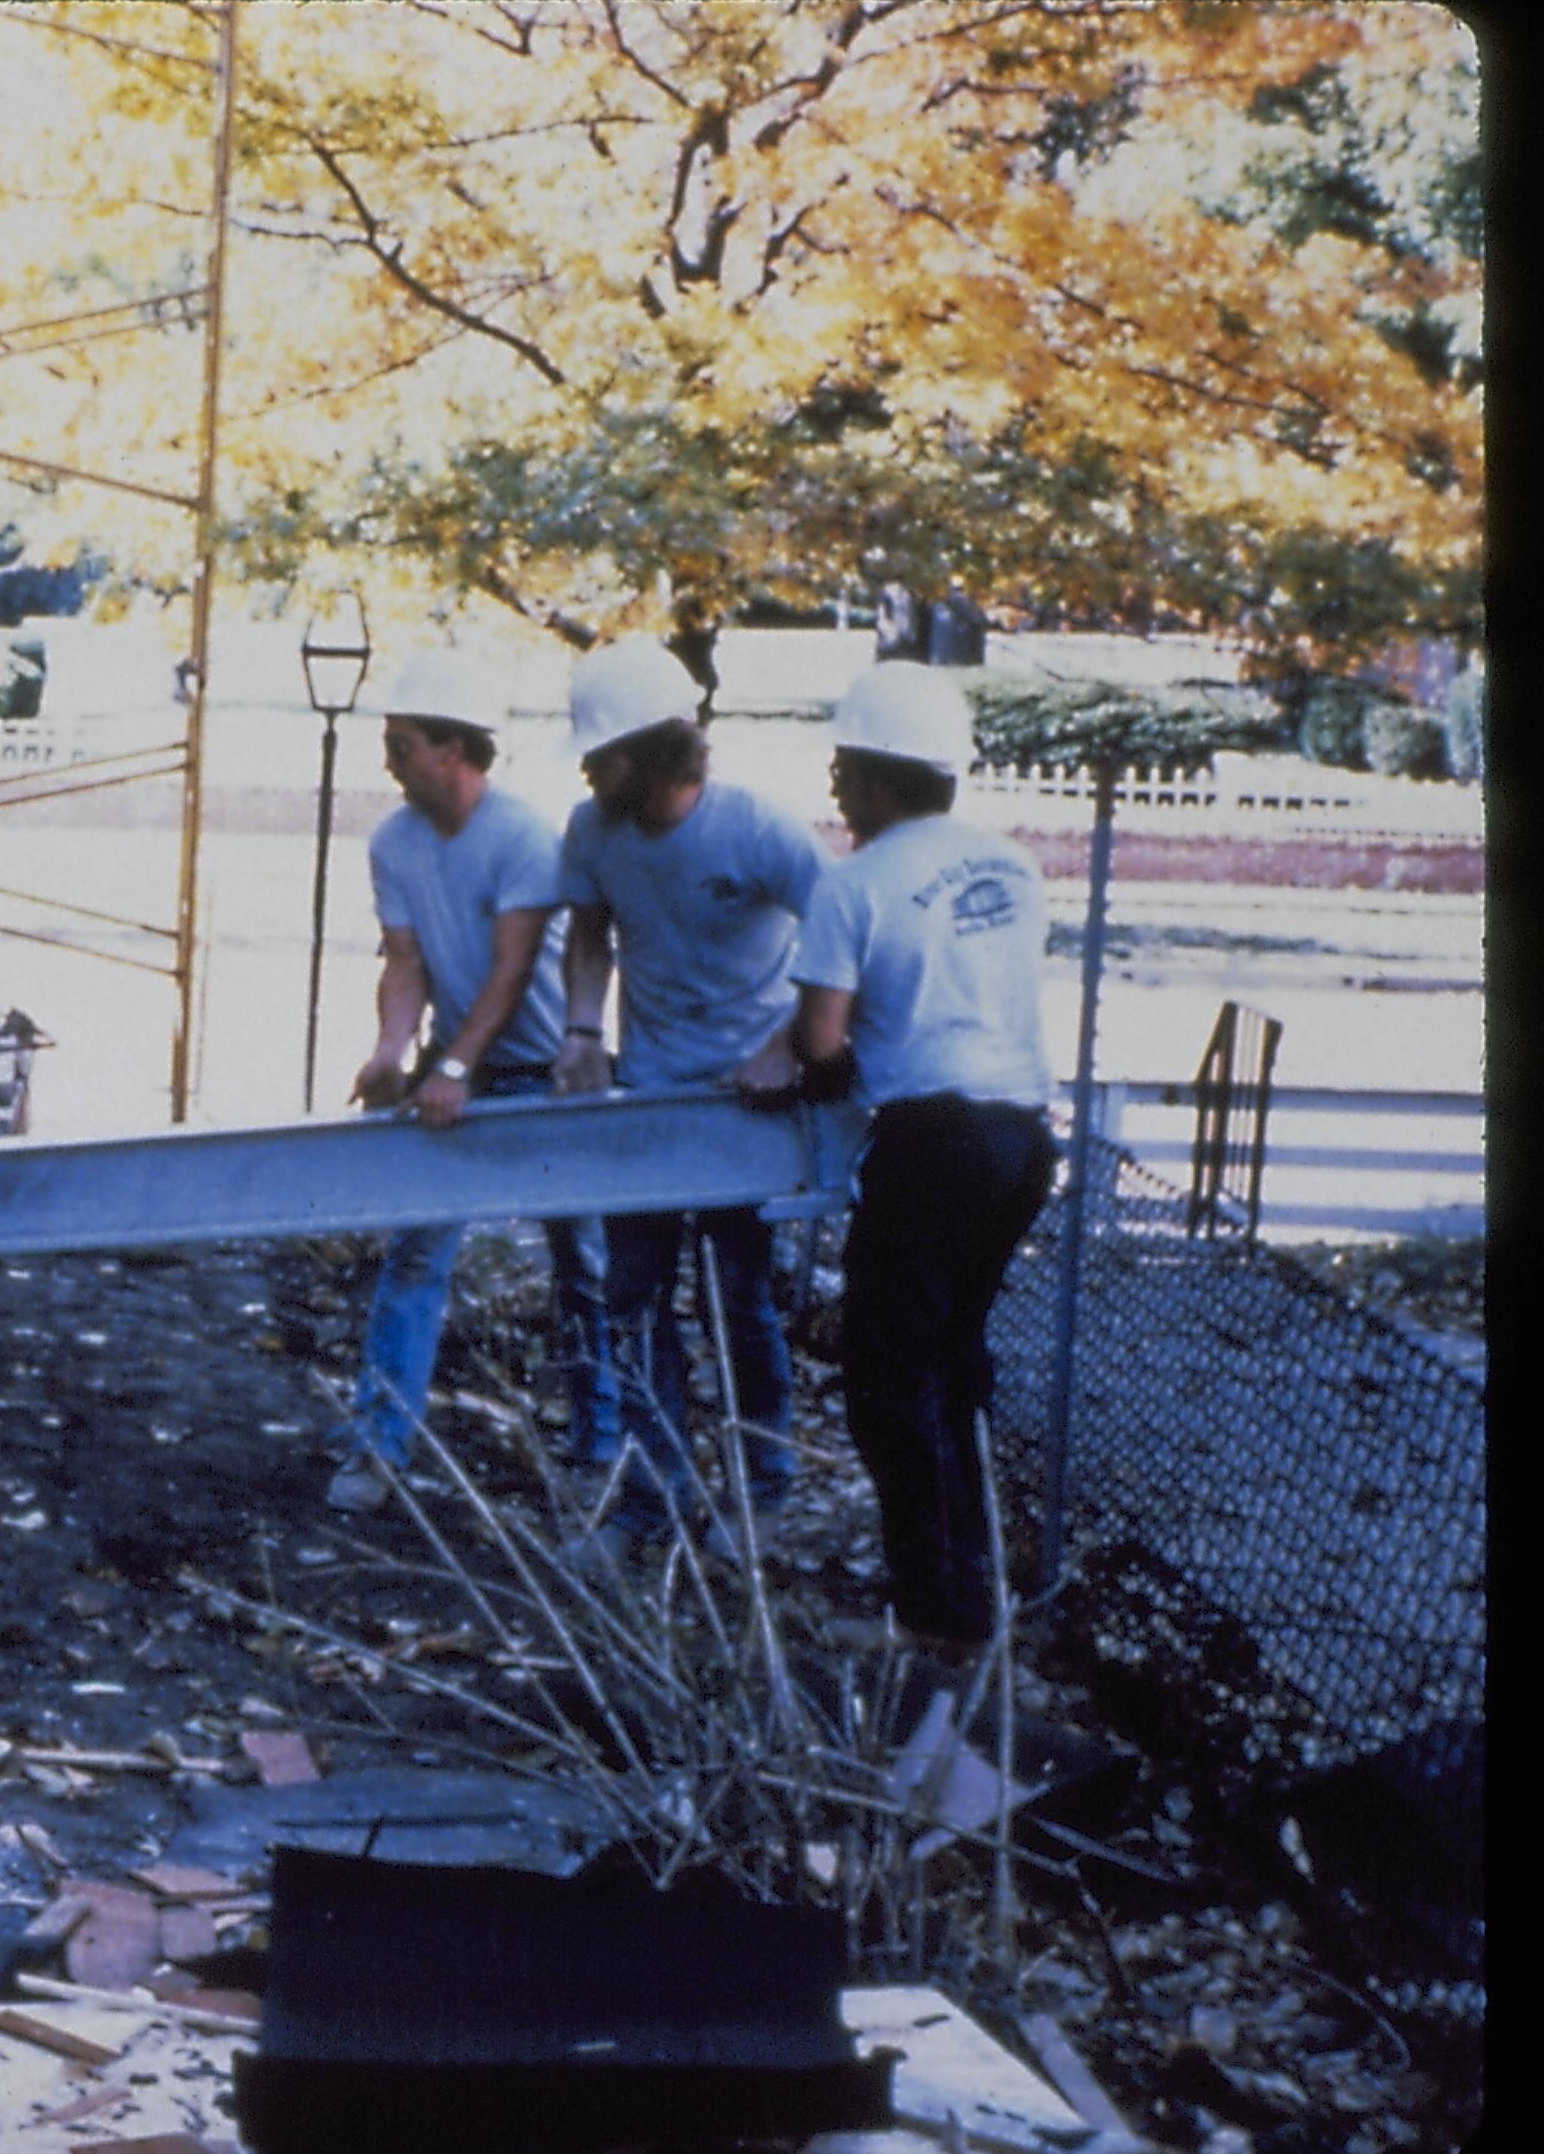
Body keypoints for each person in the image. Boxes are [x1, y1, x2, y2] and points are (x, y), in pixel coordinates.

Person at [738, 664, 1054, 1640]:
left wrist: (791, 1075)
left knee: (887, 1379)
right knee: (953, 1362)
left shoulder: (855, 882)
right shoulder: (1011, 865)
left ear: (876, 781)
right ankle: (976, 1579)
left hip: (928, 1144)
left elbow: (822, 1040)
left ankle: (933, 1612)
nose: (832, 790)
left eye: (841, 771)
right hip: (1020, 1141)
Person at [327, 651, 620, 1511]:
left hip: (540, 1069)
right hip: (455, 1066)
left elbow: (509, 965)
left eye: (403, 741)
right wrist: (392, 1049)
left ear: (454, 750)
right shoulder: (393, 841)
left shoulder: (523, 837)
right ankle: (377, 1446)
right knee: (415, 1252)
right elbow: (406, 960)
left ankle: (598, 1447)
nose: (388, 756)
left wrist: (454, 1065)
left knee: (583, 1259)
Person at [552, 638, 828, 1551]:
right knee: (631, 1295)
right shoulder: (592, 832)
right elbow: (587, 936)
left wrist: (784, 1046)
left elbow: (845, 944)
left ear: (651, 751)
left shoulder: (755, 831)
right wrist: (583, 1031)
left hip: (743, 1106)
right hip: (651, 1098)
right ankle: (650, 1495)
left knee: (736, 1300)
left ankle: (758, 1490)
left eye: (601, 755)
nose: (588, 771)